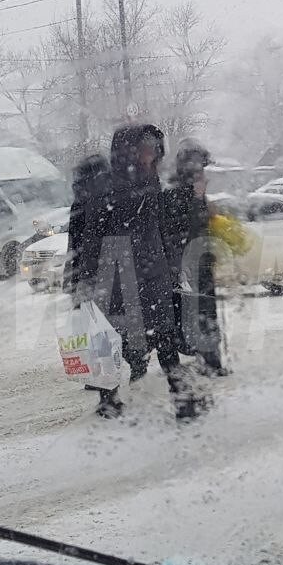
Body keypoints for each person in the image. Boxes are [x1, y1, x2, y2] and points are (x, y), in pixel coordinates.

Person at [70, 124, 208, 421]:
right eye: (145, 148)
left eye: (155, 149)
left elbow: (161, 227)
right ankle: (109, 399)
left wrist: (171, 266)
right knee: (111, 339)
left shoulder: (151, 180)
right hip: (118, 277)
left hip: (152, 274)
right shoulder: (108, 186)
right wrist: (88, 277)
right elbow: (93, 234)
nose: (151, 154)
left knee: (165, 339)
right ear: (128, 150)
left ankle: (181, 399)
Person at [161, 142, 229, 377]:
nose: (205, 175)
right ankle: (208, 359)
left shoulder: (187, 192)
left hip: (197, 264)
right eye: (201, 170)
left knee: (202, 311)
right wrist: (198, 201)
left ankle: (209, 358)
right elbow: (183, 229)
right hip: (189, 265)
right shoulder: (179, 194)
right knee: (198, 312)